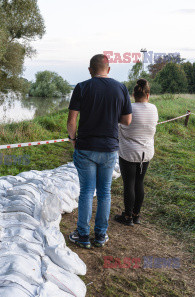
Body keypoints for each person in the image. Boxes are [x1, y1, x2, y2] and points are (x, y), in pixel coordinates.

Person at [67, 54, 132, 249]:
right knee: (105, 192)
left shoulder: (82, 87)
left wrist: (72, 139)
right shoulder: (121, 88)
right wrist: (111, 117)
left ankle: (83, 235)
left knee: (86, 191)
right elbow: (127, 120)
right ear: (109, 69)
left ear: (90, 70)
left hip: (86, 147)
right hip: (109, 148)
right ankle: (101, 235)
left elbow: (72, 120)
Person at [115, 79, 158, 226]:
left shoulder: (128, 108)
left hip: (128, 152)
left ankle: (127, 217)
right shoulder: (153, 108)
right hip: (146, 152)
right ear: (148, 94)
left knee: (129, 184)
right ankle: (136, 215)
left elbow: (118, 125)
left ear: (133, 95)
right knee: (139, 182)